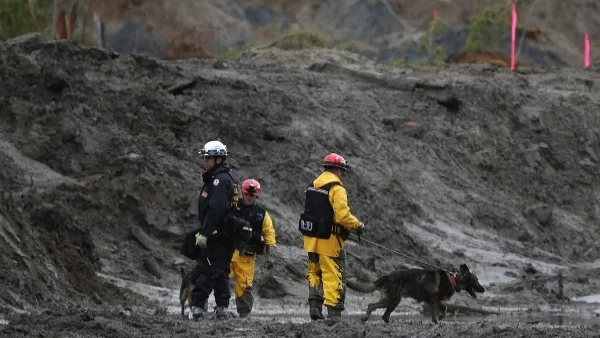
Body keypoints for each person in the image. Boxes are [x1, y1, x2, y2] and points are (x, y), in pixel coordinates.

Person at [300, 153, 364, 321]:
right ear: (338, 170)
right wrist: (357, 226)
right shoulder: (337, 188)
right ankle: (334, 315)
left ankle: (315, 308)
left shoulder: (312, 186)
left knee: (314, 273)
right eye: (342, 171)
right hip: (330, 242)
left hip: (311, 241)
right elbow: (343, 217)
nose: (342, 174)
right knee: (333, 275)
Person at [189, 140, 236, 320]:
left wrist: (205, 233)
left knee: (205, 270)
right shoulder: (223, 177)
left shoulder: (219, 180)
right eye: (205, 157)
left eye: (208, 157)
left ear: (218, 158)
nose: (205, 161)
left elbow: (216, 209)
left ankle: (198, 309)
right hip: (223, 236)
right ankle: (222, 308)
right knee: (221, 272)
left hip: (216, 237)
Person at [229, 179, 276, 318]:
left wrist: (270, 255)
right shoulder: (232, 206)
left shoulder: (261, 214)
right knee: (218, 278)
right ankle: (219, 308)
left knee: (244, 286)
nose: (249, 197)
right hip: (229, 251)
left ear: (256, 196)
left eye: (252, 195)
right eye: (247, 194)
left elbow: (269, 234)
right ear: (243, 193)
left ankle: (244, 315)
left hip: (247, 256)